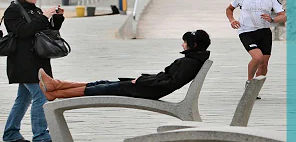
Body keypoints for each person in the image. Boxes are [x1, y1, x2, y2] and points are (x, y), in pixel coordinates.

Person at [38, 30, 211, 101]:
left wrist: (141, 81)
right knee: (102, 83)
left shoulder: (190, 62)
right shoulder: (192, 60)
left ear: (193, 45)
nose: (182, 45)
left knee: (101, 88)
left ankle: (57, 92)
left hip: (147, 90)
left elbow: (169, 83)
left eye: (185, 42)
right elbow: (165, 78)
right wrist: (142, 79)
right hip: (147, 87)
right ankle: (55, 86)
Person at [2, 0, 64, 142]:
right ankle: (41, 136)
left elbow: (45, 32)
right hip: (24, 62)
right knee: (41, 97)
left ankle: (10, 134)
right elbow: (23, 32)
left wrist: (57, 19)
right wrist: (43, 17)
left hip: (38, 61)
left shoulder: (33, 10)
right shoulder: (13, 11)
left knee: (23, 99)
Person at [225, 0, 286, 98]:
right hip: (246, 31)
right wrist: (232, 20)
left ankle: (255, 89)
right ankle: (249, 82)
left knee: (264, 63)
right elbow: (229, 9)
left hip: (264, 32)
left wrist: (272, 19)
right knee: (257, 57)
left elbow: (283, 16)